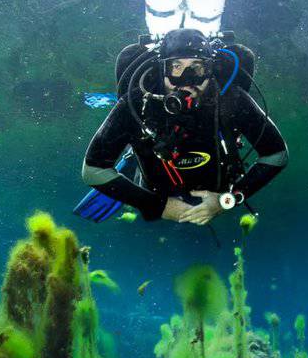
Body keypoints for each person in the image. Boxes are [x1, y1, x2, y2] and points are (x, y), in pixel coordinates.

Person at [77, 28, 288, 225]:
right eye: (176, 67)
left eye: (197, 68)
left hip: (218, 193)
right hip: (155, 193)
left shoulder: (230, 100)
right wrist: (159, 206)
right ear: (162, 70)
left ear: (210, 70)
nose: (187, 81)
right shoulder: (138, 103)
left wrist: (228, 200)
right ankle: (132, 158)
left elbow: (276, 155)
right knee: (141, 144)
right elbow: (93, 170)